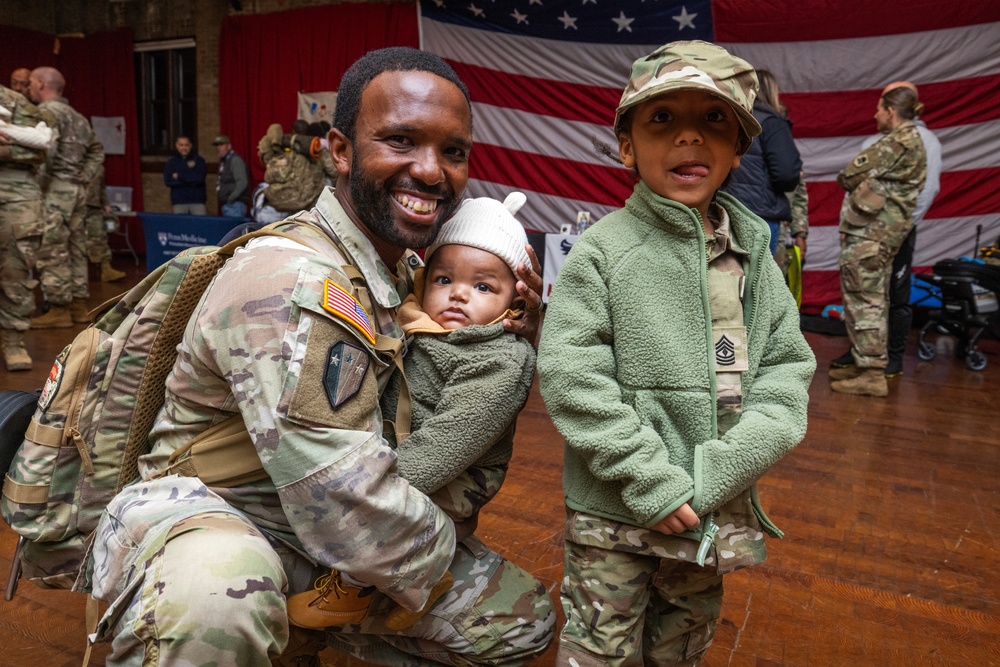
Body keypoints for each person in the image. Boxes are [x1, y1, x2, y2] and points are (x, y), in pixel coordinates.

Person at [86, 46, 553, 666]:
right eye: (401, 140)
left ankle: (307, 627)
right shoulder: (296, 281)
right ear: (340, 150)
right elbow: (345, 502)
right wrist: (439, 549)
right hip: (224, 512)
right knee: (215, 601)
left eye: (453, 151)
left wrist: (516, 324)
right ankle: (263, 620)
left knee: (518, 624)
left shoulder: (403, 267)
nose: (432, 170)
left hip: (325, 517)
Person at [537, 40, 815, 666]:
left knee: (681, 646)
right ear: (627, 146)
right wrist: (652, 483)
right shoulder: (604, 252)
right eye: (663, 118)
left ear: (740, 146)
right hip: (615, 514)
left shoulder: (752, 251)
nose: (689, 137)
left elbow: (786, 369)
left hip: (711, 509)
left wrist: (728, 467)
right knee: (599, 652)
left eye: (713, 119)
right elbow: (572, 376)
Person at [287, 191, 538, 631]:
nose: (459, 295)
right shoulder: (420, 323)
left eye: (483, 287)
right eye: (444, 280)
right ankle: (426, 578)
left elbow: (450, 441)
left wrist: (378, 490)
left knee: (387, 528)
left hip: (452, 476)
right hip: (406, 454)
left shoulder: (499, 360)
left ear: (514, 305)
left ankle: (353, 587)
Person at [830, 81, 941, 378]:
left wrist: (901, 227)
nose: (875, 114)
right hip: (871, 228)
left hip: (883, 232)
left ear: (891, 110)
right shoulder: (894, 140)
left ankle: (879, 365)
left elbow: (849, 176)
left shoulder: (902, 142)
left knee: (875, 298)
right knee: (871, 297)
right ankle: (864, 359)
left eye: (879, 107)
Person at [26, 66, 105, 329]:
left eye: (30, 84)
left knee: (53, 247)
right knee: (76, 247)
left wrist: (37, 184)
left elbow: (46, 150)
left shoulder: (46, 113)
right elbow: (97, 151)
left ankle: (59, 307)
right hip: (77, 190)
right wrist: (83, 176)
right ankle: (78, 306)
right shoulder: (78, 117)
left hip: (54, 190)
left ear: (39, 84)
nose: (28, 89)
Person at [724, 69, 803, 259]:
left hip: (723, 215)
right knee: (761, 284)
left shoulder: (727, 120)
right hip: (761, 217)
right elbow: (786, 174)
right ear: (771, 92)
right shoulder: (772, 122)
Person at [0, 82, 48, 370]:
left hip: (16, 192)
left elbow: (41, 149)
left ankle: (14, 341)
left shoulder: (16, 102)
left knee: (15, 267)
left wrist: (5, 151)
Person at [83, 164, 126, 282]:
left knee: (98, 237)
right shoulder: (72, 162)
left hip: (94, 206)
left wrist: (106, 203)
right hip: (75, 204)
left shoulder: (99, 167)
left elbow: (101, 188)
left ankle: (106, 269)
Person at [163, 135, 207, 214]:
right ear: (177, 146)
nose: (184, 148)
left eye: (186, 145)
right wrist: (191, 180)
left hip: (197, 201)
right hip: (179, 201)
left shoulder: (199, 160)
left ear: (190, 146)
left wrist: (179, 176)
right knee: (180, 225)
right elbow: (168, 181)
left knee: (200, 225)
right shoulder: (171, 162)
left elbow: (199, 179)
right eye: (181, 145)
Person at [212, 134, 249, 217]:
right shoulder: (224, 161)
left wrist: (231, 198)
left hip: (235, 205)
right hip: (228, 204)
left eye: (221, 145)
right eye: (217, 145)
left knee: (233, 229)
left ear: (229, 146)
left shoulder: (235, 160)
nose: (218, 147)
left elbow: (242, 182)